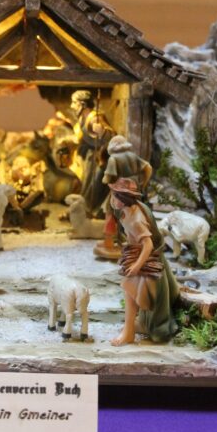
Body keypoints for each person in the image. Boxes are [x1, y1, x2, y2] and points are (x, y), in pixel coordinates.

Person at [108, 178, 178, 346]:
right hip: (136, 254)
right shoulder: (130, 209)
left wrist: (136, 266)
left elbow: (148, 244)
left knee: (130, 288)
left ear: (124, 198)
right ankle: (132, 328)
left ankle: (129, 332)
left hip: (146, 259)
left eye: (115, 196)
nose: (112, 199)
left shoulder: (136, 220)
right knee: (130, 291)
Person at [94, 136, 153, 259]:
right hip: (134, 190)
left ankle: (109, 242)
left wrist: (105, 179)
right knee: (131, 215)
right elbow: (148, 168)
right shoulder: (133, 156)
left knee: (110, 213)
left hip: (119, 191)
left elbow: (108, 177)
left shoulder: (113, 159)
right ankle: (129, 242)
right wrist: (143, 183)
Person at [71, 90, 114, 218]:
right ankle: (83, 209)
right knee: (86, 184)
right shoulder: (82, 118)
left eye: (74, 103)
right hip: (89, 157)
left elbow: (112, 136)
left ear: (82, 104)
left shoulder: (95, 118)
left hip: (100, 158)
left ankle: (90, 211)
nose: (72, 106)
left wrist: (102, 132)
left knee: (94, 185)